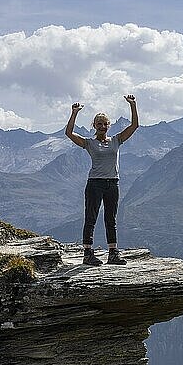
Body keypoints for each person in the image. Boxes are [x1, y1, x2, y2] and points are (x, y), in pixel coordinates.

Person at [65, 95, 139, 266]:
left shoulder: (116, 140)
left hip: (113, 183)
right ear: (94, 126)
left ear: (109, 126)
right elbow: (69, 133)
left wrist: (133, 105)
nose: (103, 126)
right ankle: (87, 253)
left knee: (110, 219)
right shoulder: (89, 143)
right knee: (91, 217)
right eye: (100, 124)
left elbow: (134, 126)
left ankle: (113, 253)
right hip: (95, 184)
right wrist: (74, 113)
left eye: (105, 124)